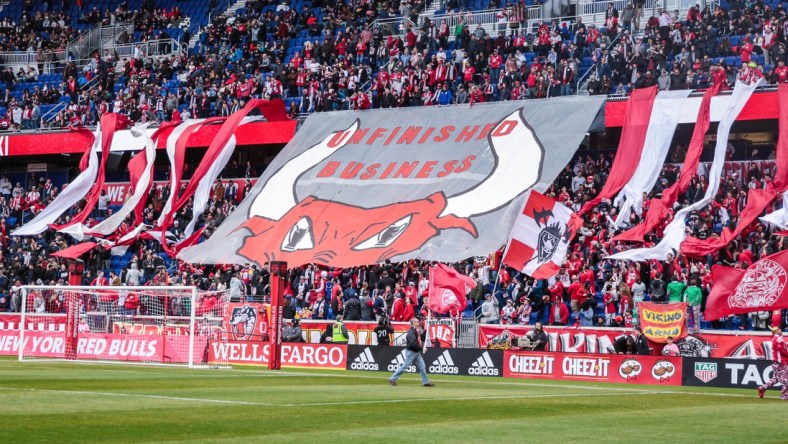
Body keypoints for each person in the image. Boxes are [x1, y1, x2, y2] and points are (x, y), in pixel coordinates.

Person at [388, 317, 434, 387]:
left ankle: (425, 382)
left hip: (416, 352)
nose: (418, 323)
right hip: (411, 352)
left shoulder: (416, 331)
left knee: (422, 366)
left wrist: (426, 330)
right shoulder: (411, 332)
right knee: (405, 366)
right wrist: (422, 348)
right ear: (413, 324)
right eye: (417, 322)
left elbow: (421, 338)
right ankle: (392, 378)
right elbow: (413, 344)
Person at [757, 326, 788, 400]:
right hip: (780, 362)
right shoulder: (778, 338)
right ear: (776, 331)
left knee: (775, 379)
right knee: (786, 379)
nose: (781, 330)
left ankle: (762, 388)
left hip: (776, 362)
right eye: (779, 329)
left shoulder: (776, 338)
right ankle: (784, 395)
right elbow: (782, 350)